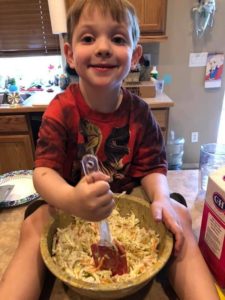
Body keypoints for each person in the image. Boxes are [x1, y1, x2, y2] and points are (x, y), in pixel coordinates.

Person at [0, 1, 219, 299]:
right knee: (34, 226)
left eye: (117, 39)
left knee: (178, 216)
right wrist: (72, 200)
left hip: (130, 199)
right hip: (70, 201)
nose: (103, 48)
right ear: (70, 55)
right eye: (88, 38)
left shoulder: (140, 113)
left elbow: (153, 168)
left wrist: (162, 198)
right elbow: (43, 173)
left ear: (135, 56)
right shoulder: (60, 110)